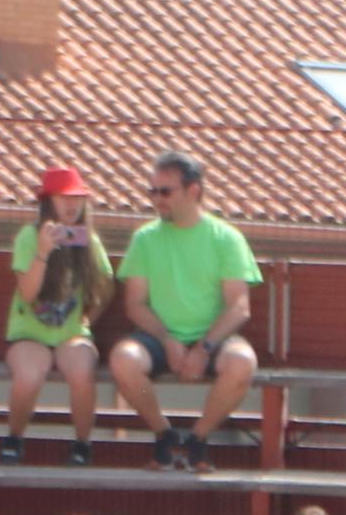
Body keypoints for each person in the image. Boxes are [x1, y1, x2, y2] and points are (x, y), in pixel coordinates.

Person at [108, 149, 260, 472]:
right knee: (123, 360)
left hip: (214, 339)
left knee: (243, 363)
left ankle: (198, 439)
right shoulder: (145, 239)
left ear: (194, 191)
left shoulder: (227, 239)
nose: (157, 199)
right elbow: (134, 304)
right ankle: (164, 434)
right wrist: (167, 340)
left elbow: (239, 306)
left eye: (165, 191)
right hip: (158, 338)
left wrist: (204, 347)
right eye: (153, 191)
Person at [0, 168, 107, 465]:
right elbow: (29, 293)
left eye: (78, 198)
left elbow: (105, 286)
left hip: (71, 335)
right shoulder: (27, 237)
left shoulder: (90, 242)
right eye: (63, 198)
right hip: (29, 334)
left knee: (83, 372)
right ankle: (14, 437)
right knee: (30, 375)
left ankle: (83, 445)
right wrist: (43, 252)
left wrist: (89, 319)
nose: (72, 205)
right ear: (48, 202)